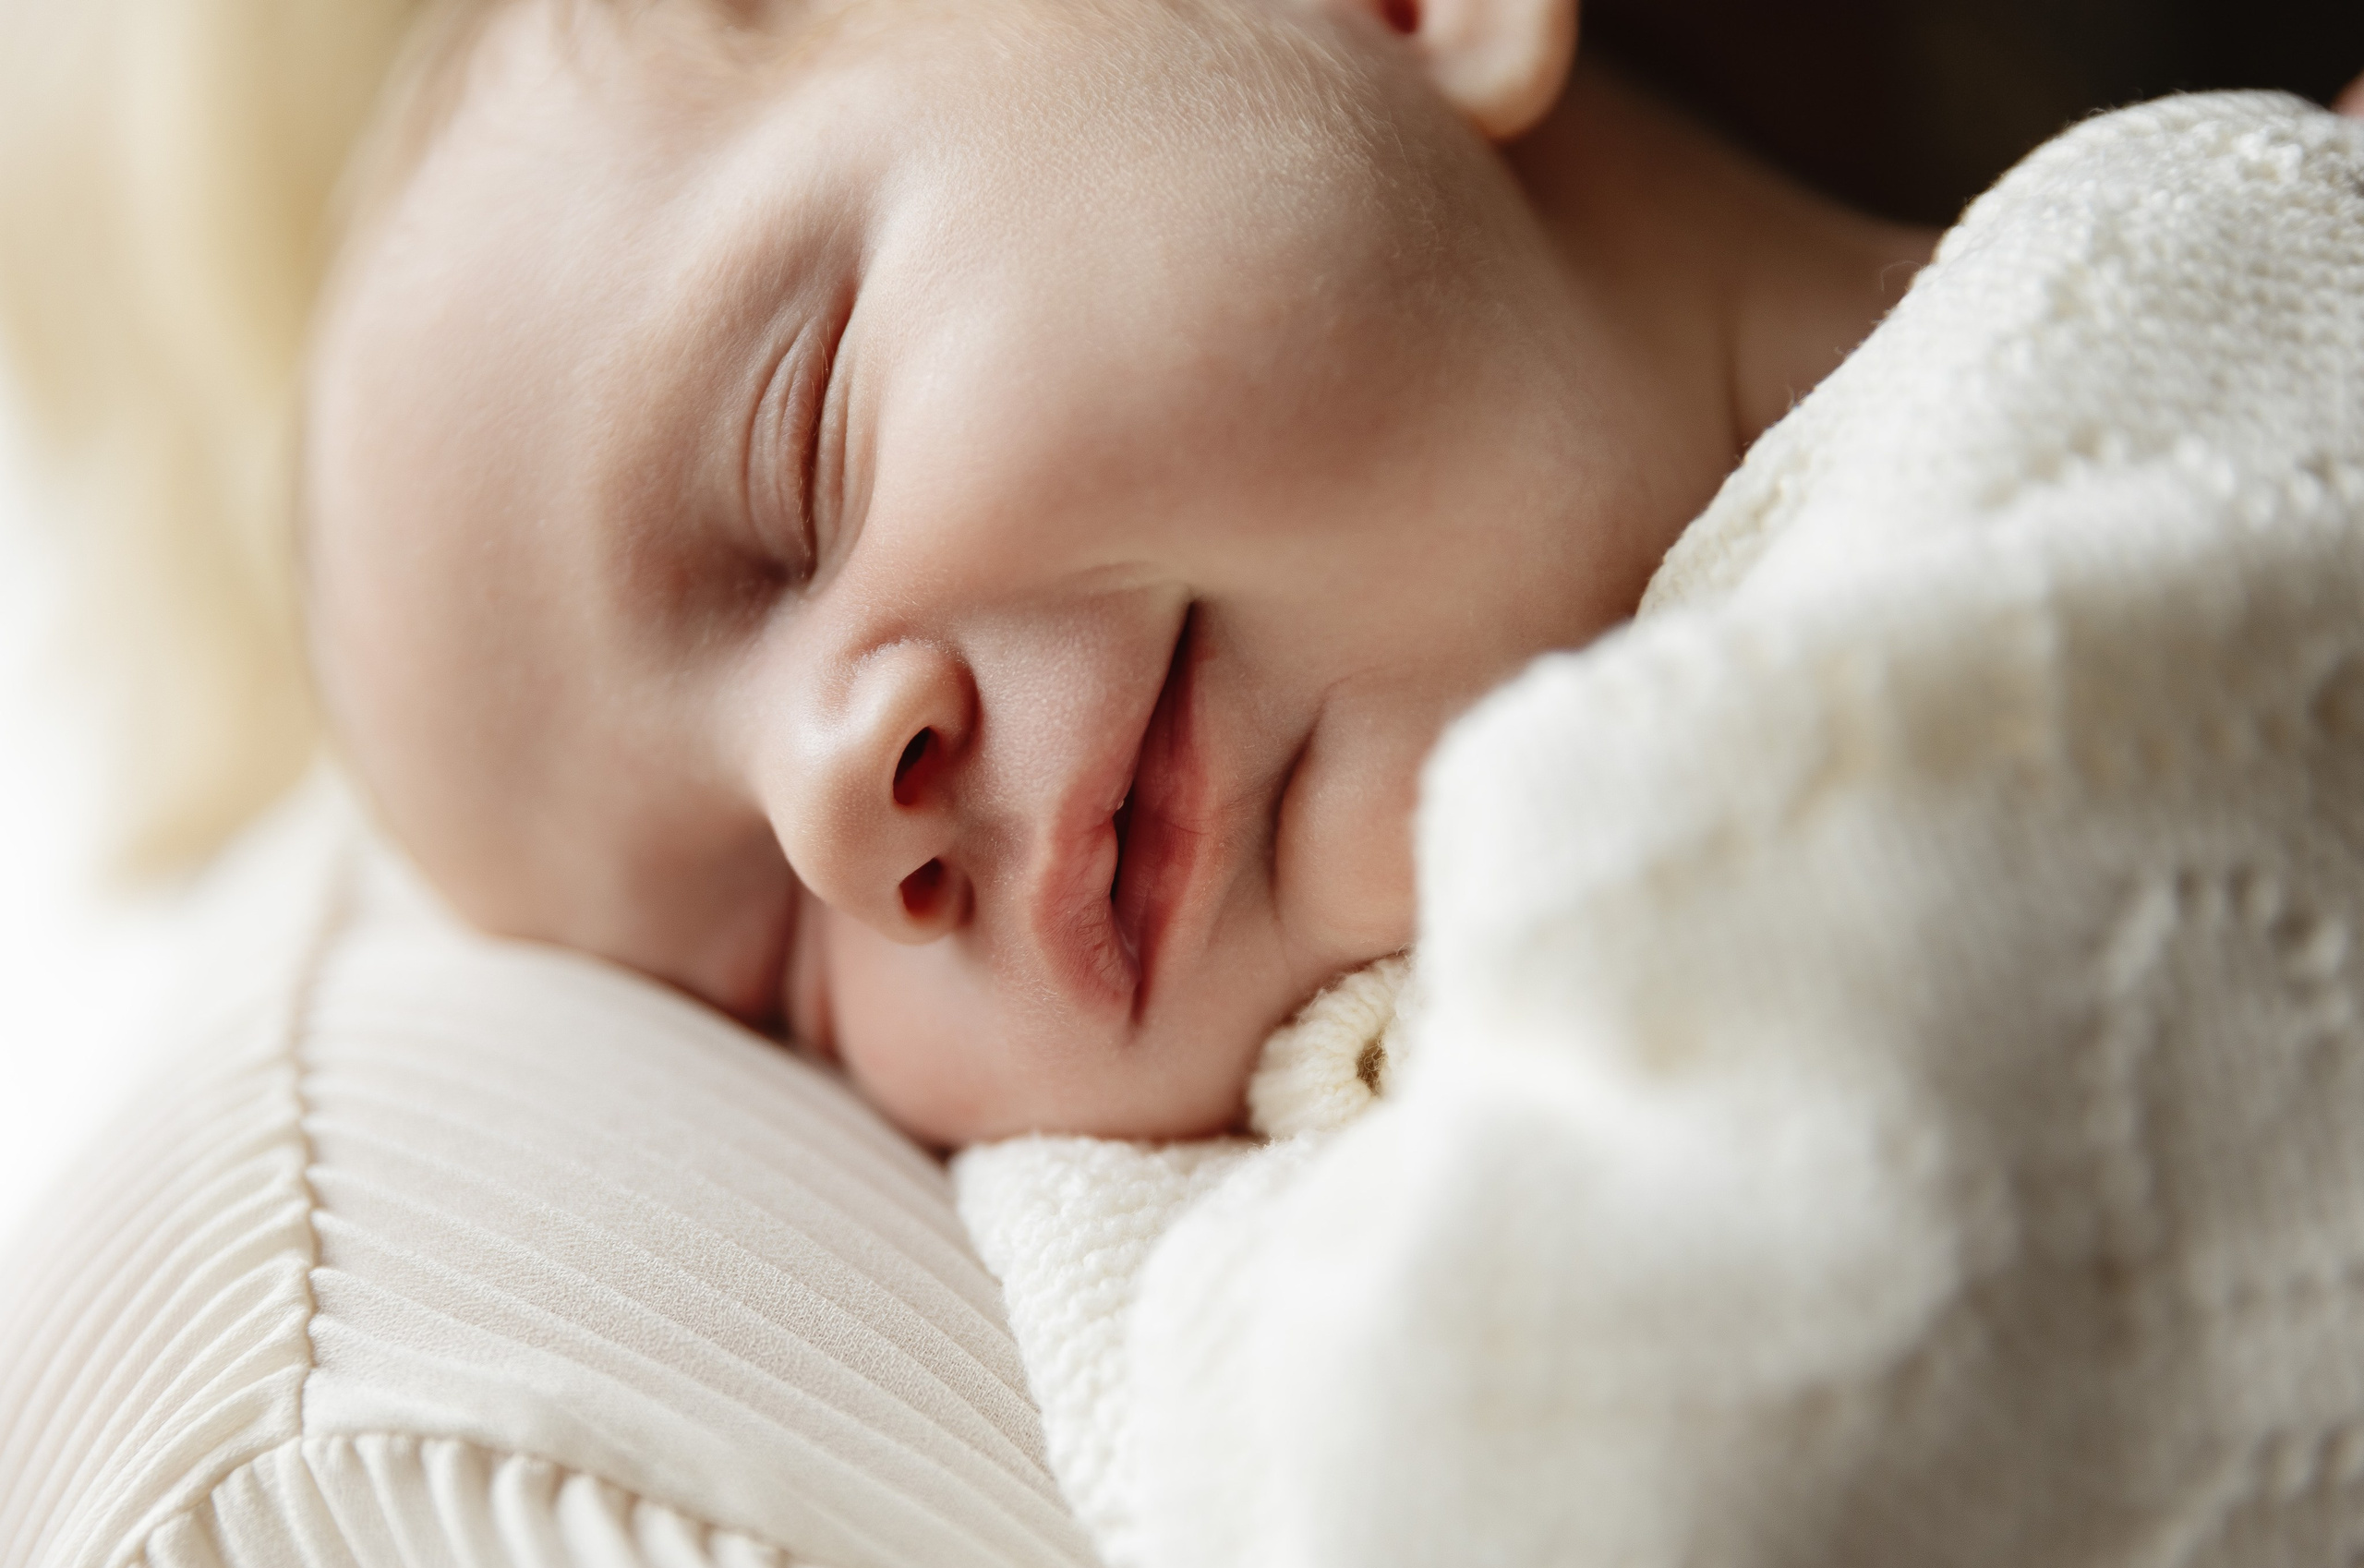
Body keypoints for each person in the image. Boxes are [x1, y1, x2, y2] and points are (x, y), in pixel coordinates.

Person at [302, 0, 1947, 1146]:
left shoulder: (2167, 320)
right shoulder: (1253, 1296)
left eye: (800, 450)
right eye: (778, 979)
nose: (833, 816)